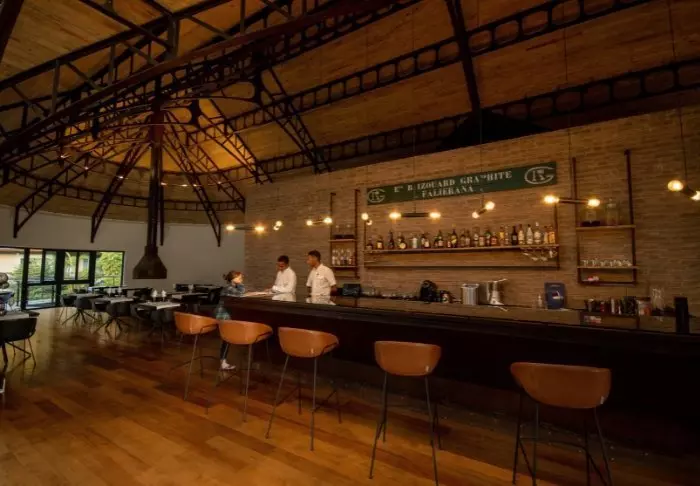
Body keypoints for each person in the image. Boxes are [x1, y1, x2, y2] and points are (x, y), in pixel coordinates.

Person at [217, 270, 245, 370]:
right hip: (223, 315)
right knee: (226, 339)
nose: (241, 279)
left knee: (226, 339)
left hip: (226, 315)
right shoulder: (228, 288)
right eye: (239, 278)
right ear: (233, 279)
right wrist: (240, 284)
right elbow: (241, 293)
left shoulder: (231, 287)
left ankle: (223, 361)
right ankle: (223, 362)